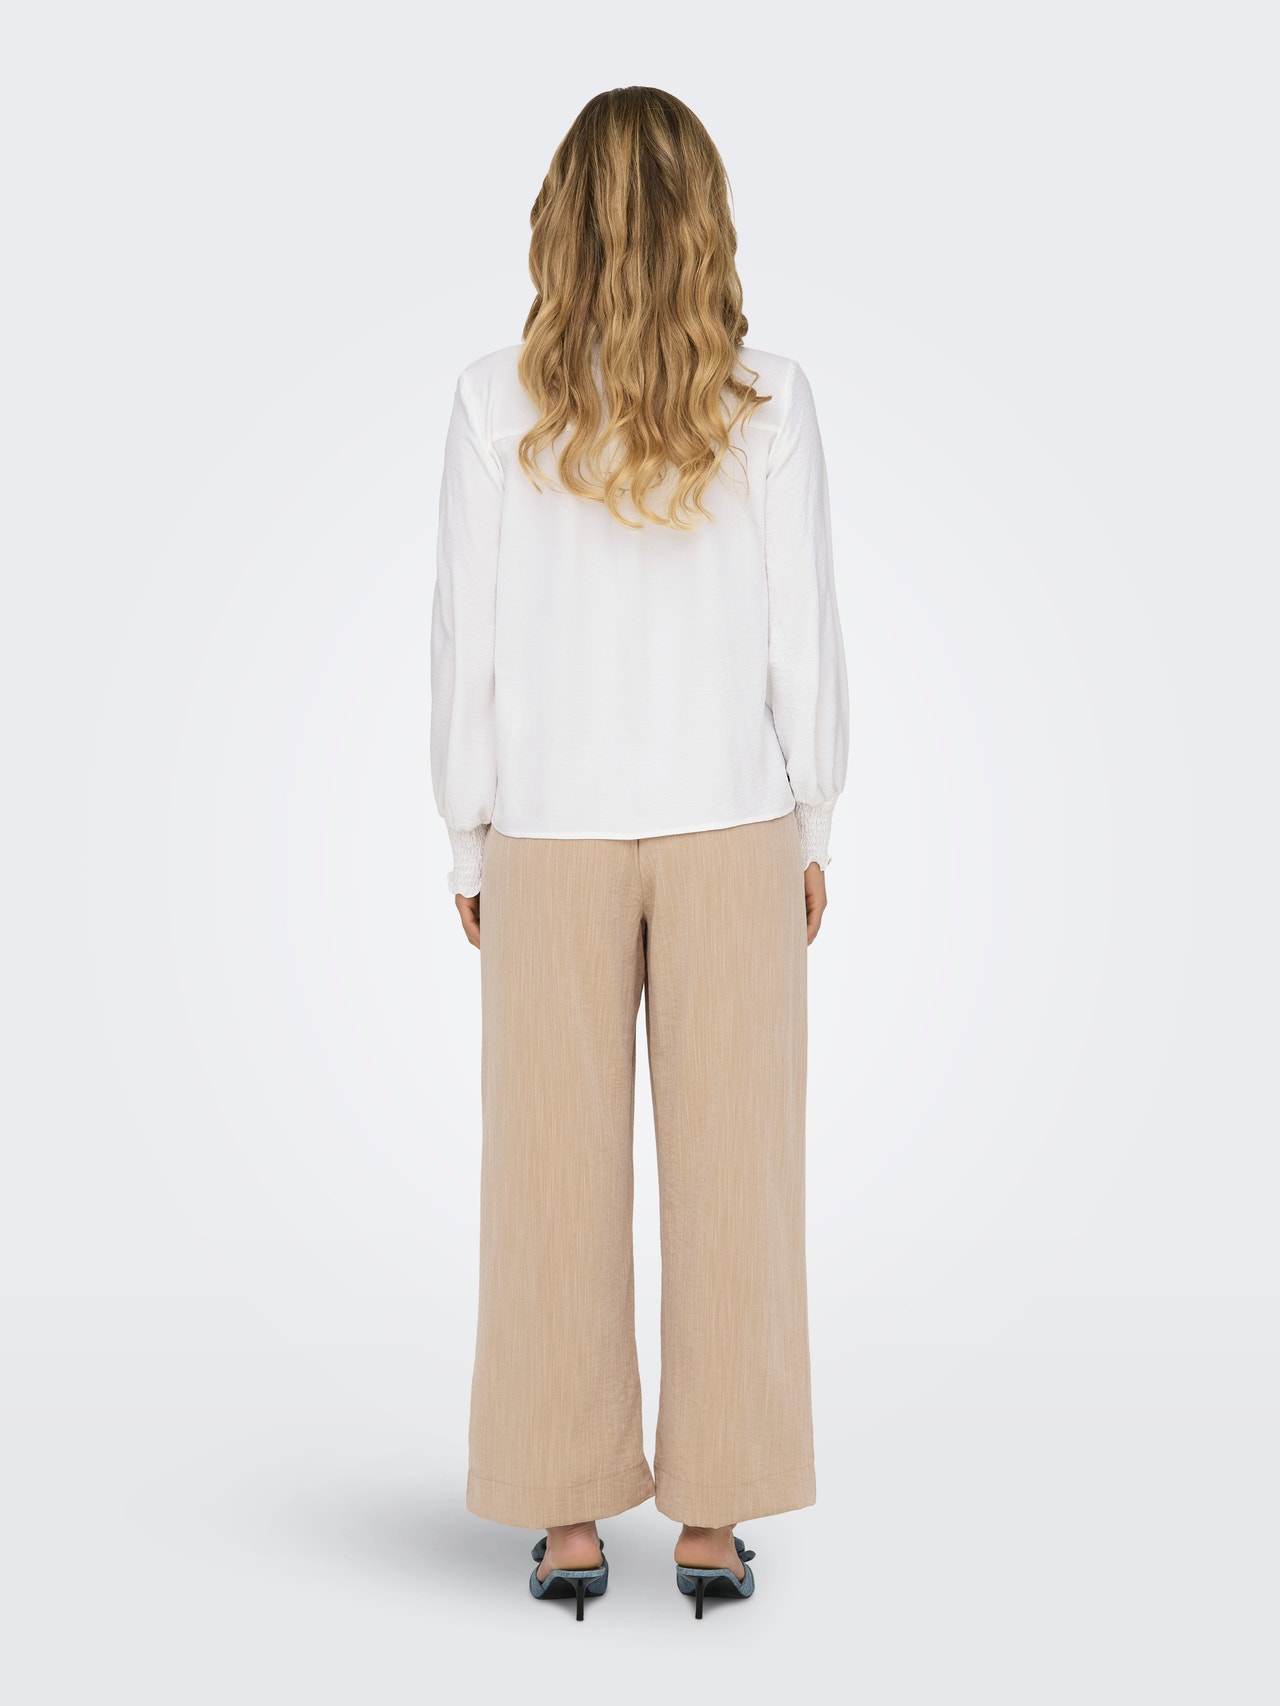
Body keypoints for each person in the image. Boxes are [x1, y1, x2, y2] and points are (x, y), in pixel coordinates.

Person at [430, 85, 850, 1620]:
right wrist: (815, 816)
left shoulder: (498, 401)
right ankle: (712, 1519)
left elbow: (467, 640)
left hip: (548, 830)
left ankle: (565, 1517)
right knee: (740, 1173)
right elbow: (804, 633)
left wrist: (466, 829)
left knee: (548, 1174)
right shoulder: (766, 399)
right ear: (706, 221)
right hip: (732, 817)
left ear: (562, 220)